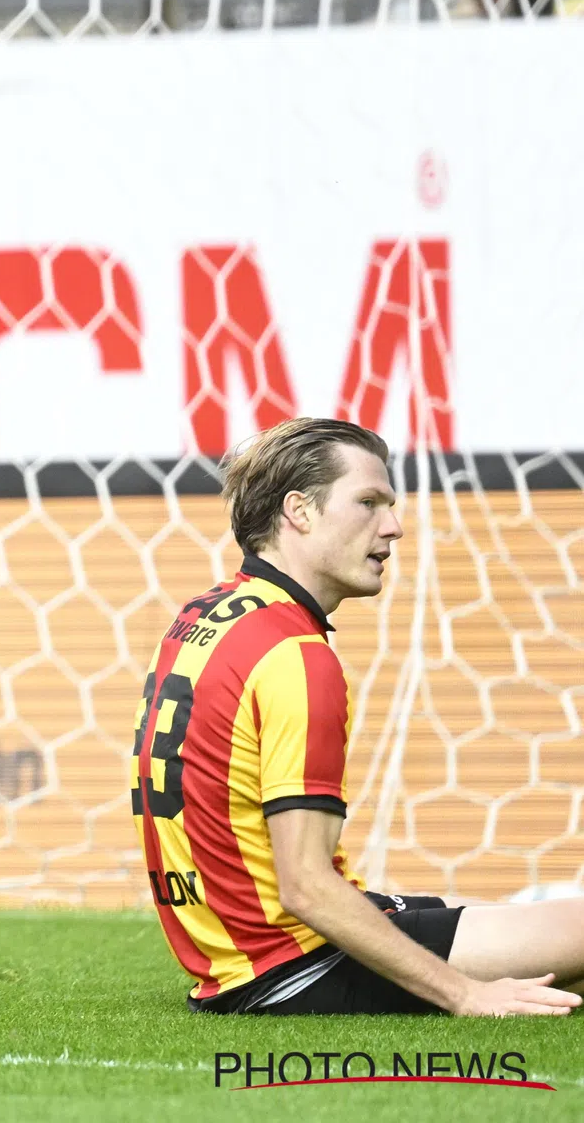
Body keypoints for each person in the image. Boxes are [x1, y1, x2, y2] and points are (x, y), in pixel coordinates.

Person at [133, 417, 584, 1015]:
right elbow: (306, 886)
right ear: (299, 510)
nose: (393, 527)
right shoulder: (296, 657)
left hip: (233, 952)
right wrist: (466, 995)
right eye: (368, 502)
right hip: (294, 964)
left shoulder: (205, 615)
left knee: (511, 916)